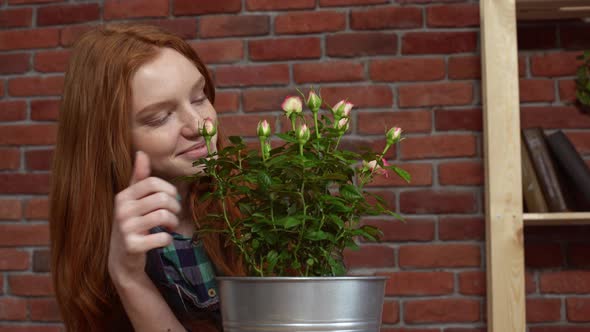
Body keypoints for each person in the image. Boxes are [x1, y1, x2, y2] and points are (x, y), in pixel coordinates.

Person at [49, 23, 245, 332]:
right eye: (159, 117)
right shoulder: (104, 242)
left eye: (198, 97)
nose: (198, 125)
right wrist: (129, 278)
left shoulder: (258, 199)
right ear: (111, 140)